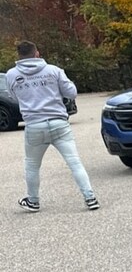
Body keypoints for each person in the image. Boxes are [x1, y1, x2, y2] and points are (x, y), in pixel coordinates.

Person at [5, 41, 98, 212]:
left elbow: (14, 96)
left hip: (34, 125)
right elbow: (72, 93)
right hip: (58, 122)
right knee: (74, 162)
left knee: (32, 165)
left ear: (19, 56)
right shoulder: (54, 70)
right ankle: (90, 198)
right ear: (37, 53)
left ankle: (33, 200)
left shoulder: (11, 75)